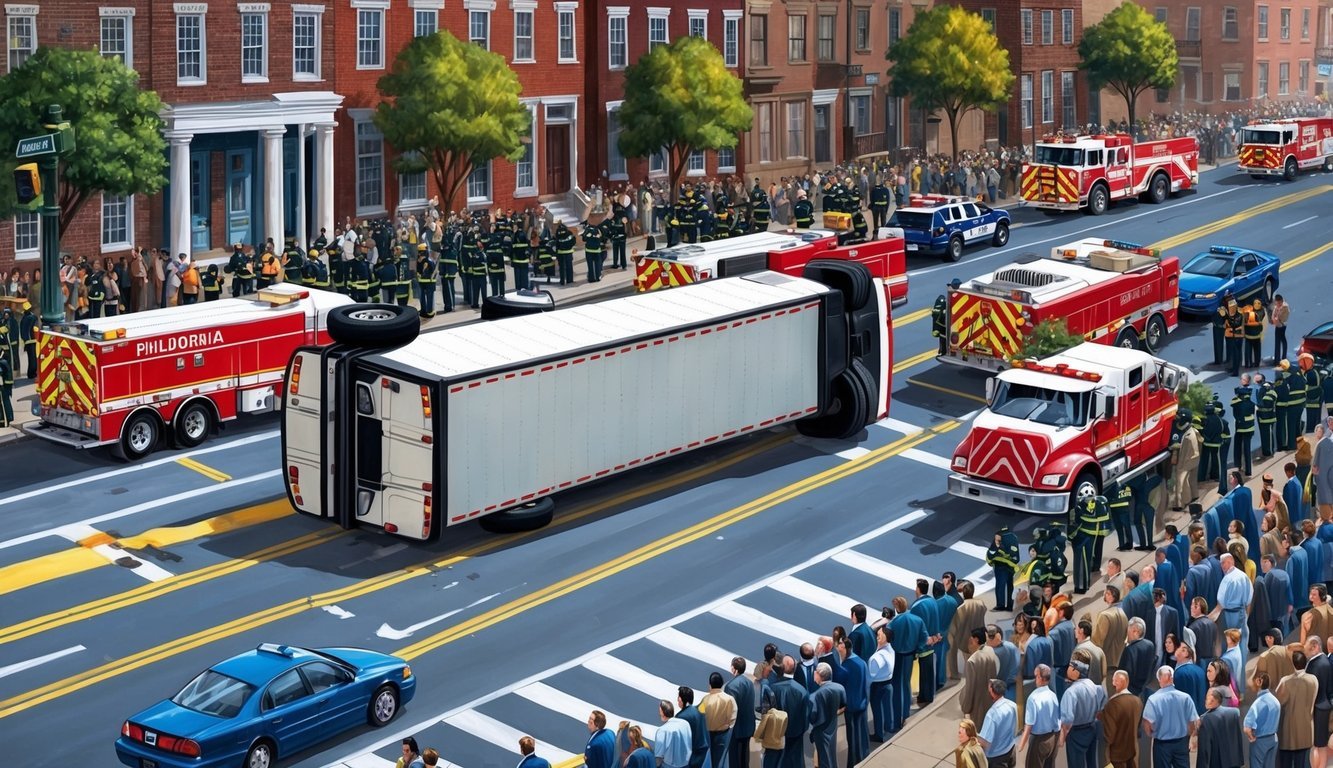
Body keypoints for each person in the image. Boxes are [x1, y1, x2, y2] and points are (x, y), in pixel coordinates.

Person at [1141, 665, 1199, 768]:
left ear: (1159, 680)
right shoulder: (1185, 698)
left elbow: (1147, 724)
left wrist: (1152, 734)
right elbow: (1193, 722)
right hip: (1181, 742)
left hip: (1162, 745)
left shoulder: (1153, 700)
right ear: (1172, 678)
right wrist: (1189, 737)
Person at [1057, 658, 1105, 768]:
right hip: (1092, 728)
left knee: (1076, 763)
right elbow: (1102, 703)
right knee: (1091, 761)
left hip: (1076, 732)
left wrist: (1063, 736)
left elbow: (1068, 718)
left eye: (1071, 667)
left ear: (1076, 672)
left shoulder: (1071, 692)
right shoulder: (1094, 686)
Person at [1275, 649, 1317, 768]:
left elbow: (1278, 702)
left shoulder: (1285, 681)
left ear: (1292, 664)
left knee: (1286, 763)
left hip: (1288, 730)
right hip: (1306, 729)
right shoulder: (1313, 680)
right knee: (1303, 762)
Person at [1016, 664, 1059, 768]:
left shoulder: (1033, 697)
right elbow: (1056, 721)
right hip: (1052, 738)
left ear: (1040, 677)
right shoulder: (1053, 695)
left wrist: (1021, 744)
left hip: (1038, 741)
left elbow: (1029, 725)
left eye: (1036, 676)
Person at [1195, 686, 1245, 768]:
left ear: (1212, 700)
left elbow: (1204, 750)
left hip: (1217, 763)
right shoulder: (1234, 713)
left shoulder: (1206, 719)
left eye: (1206, 698)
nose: (1205, 700)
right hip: (1234, 762)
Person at [806, 662, 845, 768]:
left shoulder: (814, 696)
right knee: (831, 754)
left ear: (819, 675)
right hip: (833, 726)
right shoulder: (840, 688)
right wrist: (834, 713)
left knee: (823, 758)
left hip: (820, 731)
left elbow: (812, 717)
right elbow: (843, 705)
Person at [1102, 671, 1142, 768]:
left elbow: (1109, 735)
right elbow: (1137, 728)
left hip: (1116, 755)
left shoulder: (1112, 704)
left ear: (1115, 683)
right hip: (1133, 752)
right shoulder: (1138, 701)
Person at [961, 628, 999, 723]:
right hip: (991, 698)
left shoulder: (972, 661)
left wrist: (966, 707)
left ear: (976, 640)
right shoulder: (990, 650)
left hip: (977, 704)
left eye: (971, 639)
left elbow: (970, 688)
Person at [977, 678, 1017, 768]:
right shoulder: (1012, 705)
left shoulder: (992, 714)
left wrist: (975, 737)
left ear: (992, 692)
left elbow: (985, 742)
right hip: (1010, 749)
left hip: (996, 757)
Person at [701, 672, 737, 768]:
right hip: (722, 734)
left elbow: (700, 716)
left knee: (708, 761)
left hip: (708, 735)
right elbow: (733, 718)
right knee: (720, 761)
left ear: (710, 685)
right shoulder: (729, 699)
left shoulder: (705, 699)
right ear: (721, 684)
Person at [724, 657, 755, 768]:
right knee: (744, 760)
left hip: (736, 730)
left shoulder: (730, 686)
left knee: (735, 761)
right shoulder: (750, 683)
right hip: (748, 727)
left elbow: (730, 711)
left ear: (734, 669)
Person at [1245, 672, 1280, 768]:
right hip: (1273, 739)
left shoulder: (1258, 703)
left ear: (1258, 681)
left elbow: (1247, 728)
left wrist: (1251, 737)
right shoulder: (1276, 701)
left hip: (1260, 741)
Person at [653, 701, 693, 768]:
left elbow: (658, 757)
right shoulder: (685, 723)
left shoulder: (662, 730)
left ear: (662, 712)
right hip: (686, 765)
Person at [1271, 294, 1290, 363]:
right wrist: (1275, 319)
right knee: (1278, 341)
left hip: (1282, 325)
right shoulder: (1277, 307)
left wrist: (1277, 318)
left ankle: (1283, 357)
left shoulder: (1285, 307)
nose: (1277, 304)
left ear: (1281, 301)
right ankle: (1277, 358)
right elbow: (1274, 316)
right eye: (1277, 302)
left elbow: (1281, 317)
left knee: (1281, 340)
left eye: (1279, 303)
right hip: (1277, 324)